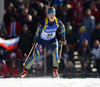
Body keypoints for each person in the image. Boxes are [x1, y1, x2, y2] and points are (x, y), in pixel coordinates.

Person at [19, 7, 65, 78]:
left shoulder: (57, 22)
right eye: (50, 14)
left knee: (55, 53)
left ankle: (55, 72)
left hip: (52, 40)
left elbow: (63, 28)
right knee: (34, 56)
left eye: (53, 14)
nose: (52, 16)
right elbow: (37, 32)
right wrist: (35, 40)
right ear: (47, 15)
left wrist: (63, 37)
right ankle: (24, 72)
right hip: (42, 41)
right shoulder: (43, 23)